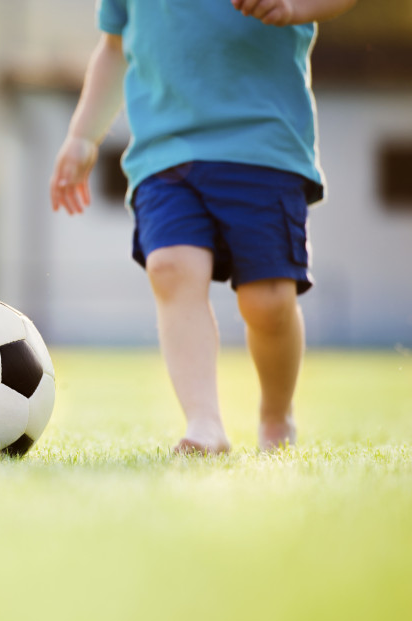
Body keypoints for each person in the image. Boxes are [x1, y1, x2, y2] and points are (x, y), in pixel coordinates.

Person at [49, 0, 358, 454]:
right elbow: (114, 47)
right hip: (164, 150)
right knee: (171, 267)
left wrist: (295, 6)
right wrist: (81, 136)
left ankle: (276, 415)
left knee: (268, 301)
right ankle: (204, 424)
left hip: (263, 146)